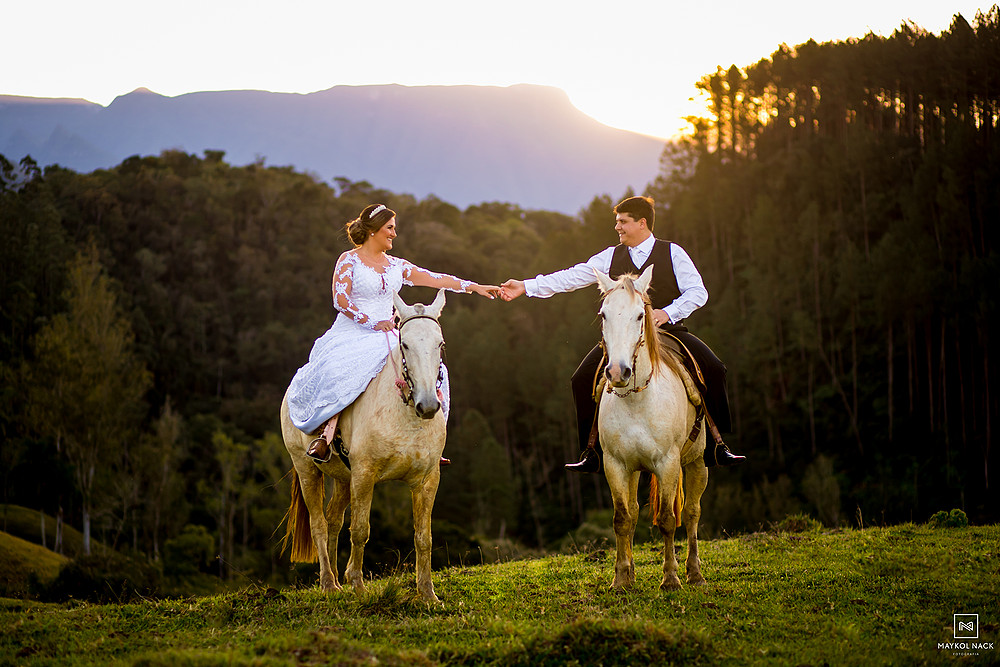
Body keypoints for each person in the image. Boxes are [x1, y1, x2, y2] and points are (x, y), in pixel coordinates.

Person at [499, 195, 744, 472]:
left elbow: (698, 292)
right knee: (581, 379)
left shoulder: (672, 252)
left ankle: (717, 445)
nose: (617, 227)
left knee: (714, 368)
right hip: (622, 338)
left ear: (642, 223)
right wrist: (525, 286)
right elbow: (571, 277)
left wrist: (667, 313)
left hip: (668, 331)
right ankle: (591, 451)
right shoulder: (610, 256)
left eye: (623, 222)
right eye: (617, 222)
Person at [288, 203, 499, 464]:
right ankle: (326, 435)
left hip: (388, 335)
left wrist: (475, 287)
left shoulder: (397, 265)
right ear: (374, 231)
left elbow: (436, 279)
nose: (394, 234)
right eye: (390, 228)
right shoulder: (348, 260)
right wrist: (372, 322)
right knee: (337, 370)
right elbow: (340, 299)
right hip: (352, 333)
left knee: (433, 368)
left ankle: (433, 439)